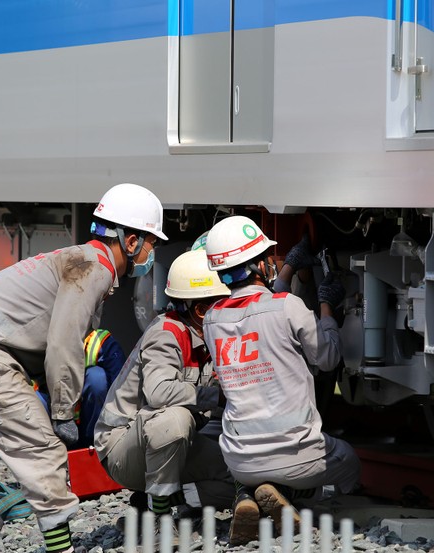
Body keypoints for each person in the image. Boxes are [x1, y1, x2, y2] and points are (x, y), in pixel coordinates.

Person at [0, 183, 167, 553]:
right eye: (151, 243)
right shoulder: (94, 267)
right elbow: (64, 340)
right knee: (42, 451)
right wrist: (64, 410)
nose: (152, 253)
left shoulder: (74, 259)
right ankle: (60, 549)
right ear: (130, 241)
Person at [203, 215, 362, 545]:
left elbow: (260, 310)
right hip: (297, 455)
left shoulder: (213, 319)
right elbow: (328, 356)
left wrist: (287, 272)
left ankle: (249, 495)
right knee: (349, 462)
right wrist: (326, 307)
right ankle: (295, 500)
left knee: (264, 469)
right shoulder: (289, 306)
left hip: (239, 461)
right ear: (260, 263)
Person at [94, 249, 234, 536]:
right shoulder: (166, 333)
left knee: (235, 477)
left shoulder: (205, 338)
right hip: (123, 447)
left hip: (170, 444)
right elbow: (159, 393)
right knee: (174, 420)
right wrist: (216, 397)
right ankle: (159, 521)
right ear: (201, 310)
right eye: (222, 303)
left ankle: (161, 503)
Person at [34, 328, 126, 448]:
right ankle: (46, 449)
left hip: (92, 428)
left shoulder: (99, 340)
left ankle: (95, 441)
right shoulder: (43, 341)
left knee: (96, 378)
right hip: (56, 430)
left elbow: (121, 388)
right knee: (35, 398)